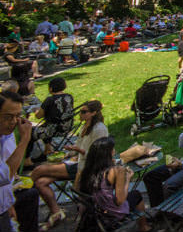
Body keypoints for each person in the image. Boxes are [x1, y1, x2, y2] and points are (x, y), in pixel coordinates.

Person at [33, 100, 108, 230]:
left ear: (93, 113)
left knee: (39, 169)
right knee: (41, 182)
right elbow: (79, 146)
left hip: (86, 168)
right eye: (80, 111)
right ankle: (57, 212)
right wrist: (68, 153)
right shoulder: (85, 126)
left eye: (84, 112)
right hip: (76, 161)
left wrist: (78, 151)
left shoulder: (99, 129)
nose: (80, 114)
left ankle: (18, 197)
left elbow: (96, 155)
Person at [79, 136, 150, 231]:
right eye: (113, 149)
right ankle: (144, 227)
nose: (115, 151)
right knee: (136, 194)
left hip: (95, 211)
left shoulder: (88, 170)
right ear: (108, 153)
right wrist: (127, 179)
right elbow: (119, 201)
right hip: (111, 214)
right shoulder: (116, 171)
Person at [0, 91, 39, 232]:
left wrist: (8, 203)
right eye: (8, 117)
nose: (14, 122)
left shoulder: (6, 136)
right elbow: (3, 176)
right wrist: (24, 141)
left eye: (18, 116)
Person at [29, 77, 73, 162]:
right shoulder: (69, 97)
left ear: (51, 88)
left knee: (29, 132)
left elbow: (38, 116)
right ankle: (48, 150)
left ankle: (27, 161)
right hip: (66, 127)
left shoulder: (49, 100)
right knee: (46, 125)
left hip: (53, 130)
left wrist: (35, 110)